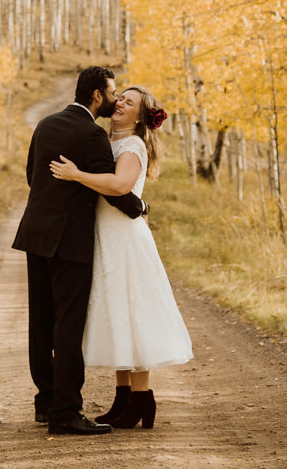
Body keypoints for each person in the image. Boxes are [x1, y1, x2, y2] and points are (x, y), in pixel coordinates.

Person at [11, 66, 148, 435]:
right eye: (114, 92)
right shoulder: (91, 135)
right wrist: (141, 208)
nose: (117, 99)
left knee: (40, 324)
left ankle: (45, 403)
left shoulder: (45, 124)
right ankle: (66, 413)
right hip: (69, 243)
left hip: (35, 236)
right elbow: (113, 190)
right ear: (98, 96)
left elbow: (31, 175)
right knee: (68, 327)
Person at [49, 85, 193, 431]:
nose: (120, 103)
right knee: (117, 314)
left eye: (130, 102)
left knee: (134, 314)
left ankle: (142, 399)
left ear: (140, 117)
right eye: (121, 97)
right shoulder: (105, 141)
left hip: (126, 240)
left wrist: (76, 175)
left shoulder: (133, 145)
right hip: (105, 236)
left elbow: (119, 187)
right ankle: (123, 397)